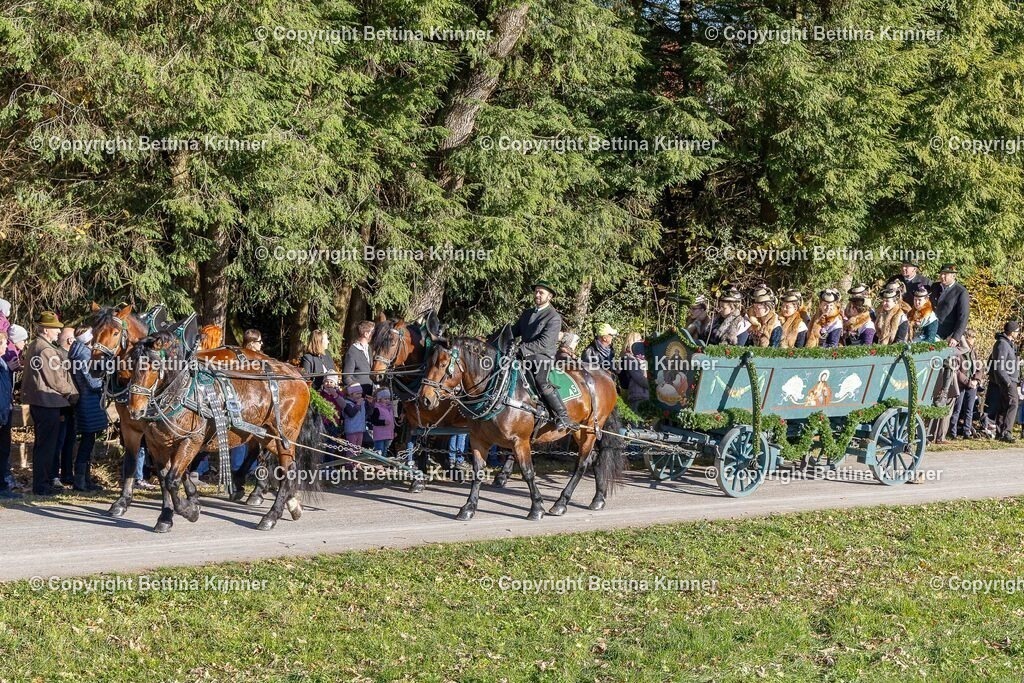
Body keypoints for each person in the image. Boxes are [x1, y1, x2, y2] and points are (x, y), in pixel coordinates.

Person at [21, 311, 78, 496]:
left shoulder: (35, 345)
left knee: (43, 445)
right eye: (55, 329)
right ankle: (42, 485)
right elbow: (55, 379)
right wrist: (72, 393)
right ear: (46, 330)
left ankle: (42, 483)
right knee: (47, 446)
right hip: (47, 403)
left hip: (41, 403)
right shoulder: (46, 350)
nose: (58, 332)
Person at [511, 281, 579, 431]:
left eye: (541, 292)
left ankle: (563, 416)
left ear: (550, 297)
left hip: (542, 357)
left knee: (541, 381)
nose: (537, 295)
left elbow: (544, 343)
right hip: (522, 355)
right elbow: (513, 331)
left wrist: (520, 349)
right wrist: (496, 338)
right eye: (536, 291)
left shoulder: (553, 317)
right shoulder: (527, 313)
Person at [68, 327, 107, 491]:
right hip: (88, 401)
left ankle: (85, 479)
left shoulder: (79, 352)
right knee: (87, 442)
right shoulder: (84, 354)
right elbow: (92, 381)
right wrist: (104, 380)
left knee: (88, 441)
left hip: (87, 400)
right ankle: (80, 481)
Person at [986, 322, 1021, 443]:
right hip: (1008, 380)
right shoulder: (1002, 344)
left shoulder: (1008, 344)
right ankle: (1007, 433)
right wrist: (1008, 382)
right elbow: (999, 366)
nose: (1018, 333)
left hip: (1010, 379)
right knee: (1013, 404)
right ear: (1011, 332)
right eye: (1017, 331)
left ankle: (1001, 432)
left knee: (1004, 406)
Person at [950, 329, 984, 439]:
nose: (974, 340)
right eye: (973, 337)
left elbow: (980, 367)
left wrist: (976, 380)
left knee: (969, 410)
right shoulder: (958, 351)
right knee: (957, 409)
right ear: (967, 338)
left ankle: (967, 431)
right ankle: (952, 432)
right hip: (961, 385)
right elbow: (957, 371)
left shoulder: (973, 351)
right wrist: (968, 382)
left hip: (972, 384)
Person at [0, 331, 19, 499]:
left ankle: (3, 485)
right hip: (1, 413)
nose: (7, 347)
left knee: (4, 450)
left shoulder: (3, 364)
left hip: (5, 411)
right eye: (4, 344)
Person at [930, 264, 969, 346]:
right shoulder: (934, 286)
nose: (942, 276)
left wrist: (956, 337)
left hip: (947, 335)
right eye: (941, 274)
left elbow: (963, 316)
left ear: (953, 276)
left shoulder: (961, 291)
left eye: (945, 274)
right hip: (931, 330)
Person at [343, 321, 374, 395]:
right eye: (373, 332)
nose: (374, 334)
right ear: (366, 334)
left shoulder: (369, 349)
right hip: (359, 396)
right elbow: (346, 377)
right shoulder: (352, 351)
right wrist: (356, 390)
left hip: (370, 394)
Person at [618, 332, 648, 409]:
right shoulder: (629, 358)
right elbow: (639, 377)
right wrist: (652, 385)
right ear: (633, 341)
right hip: (637, 395)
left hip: (644, 394)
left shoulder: (639, 357)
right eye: (639, 340)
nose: (642, 342)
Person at [368, 388, 396, 457]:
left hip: (388, 434)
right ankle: (378, 462)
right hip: (380, 435)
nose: (387, 400)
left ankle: (383, 462)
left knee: (385, 450)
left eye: (388, 399)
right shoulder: (377, 409)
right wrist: (383, 422)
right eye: (385, 399)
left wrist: (394, 431)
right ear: (379, 399)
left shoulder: (390, 409)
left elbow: (393, 421)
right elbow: (374, 421)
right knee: (379, 450)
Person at [342, 384, 367, 451]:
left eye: (360, 393)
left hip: (360, 429)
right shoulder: (346, 403)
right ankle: (349, 459)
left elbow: (369, 413)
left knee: (358, 450)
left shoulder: (362, 403)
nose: (360, 395)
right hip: (351, 431)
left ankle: (356, 459)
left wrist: (371, 404)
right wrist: (358, 404)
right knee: (351, 451)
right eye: (357, 394)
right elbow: (351, 414)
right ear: (350, 394)